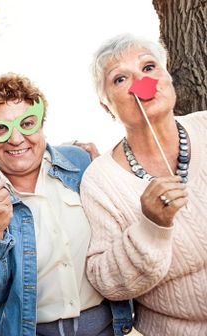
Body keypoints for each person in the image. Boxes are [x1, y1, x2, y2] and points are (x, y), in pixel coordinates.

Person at [0, 73, 133, 336]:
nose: (16, 139)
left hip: (107, 326)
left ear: (41, 124)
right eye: (1, 128)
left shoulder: (80, 163)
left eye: (27, 124)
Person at [81, 34, 207, 335]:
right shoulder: (100, 181)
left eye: (149, 68)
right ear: (107, 106)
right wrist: (151, 227)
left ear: (167, 77)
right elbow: (105, 281)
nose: (141, 83)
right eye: (121, 79)